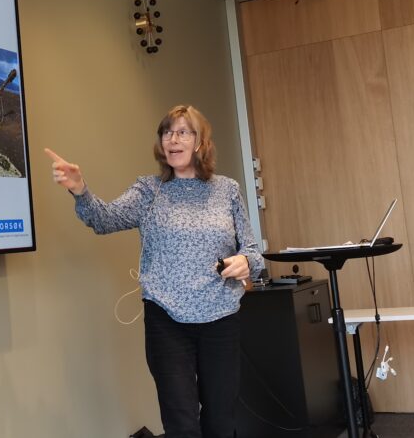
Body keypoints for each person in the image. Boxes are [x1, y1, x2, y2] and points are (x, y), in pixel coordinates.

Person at [46, 105, 265, 438]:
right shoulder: (149, 191)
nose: (172, 139)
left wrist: (245, 262)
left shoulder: (227, 190)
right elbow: (104, 220)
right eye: (167, 132)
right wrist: (80, 189)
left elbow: (253, 251)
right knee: (181, 422)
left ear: (200, 142)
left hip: (220, 318)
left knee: (220, 420)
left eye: (182, 132)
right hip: (167, 320)